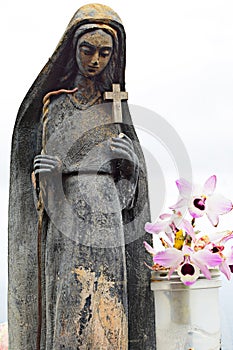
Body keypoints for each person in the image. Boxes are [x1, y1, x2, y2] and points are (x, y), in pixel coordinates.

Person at [8, 4, 155, 349]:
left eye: (105, 53)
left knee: (107, 298)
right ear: (72, 51)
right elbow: (42, 186)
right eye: (87, 50)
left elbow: (127, 200)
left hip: (108, 220)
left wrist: (129, 166)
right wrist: (48, 175)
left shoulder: (114, 108)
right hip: (68, 218)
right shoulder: (56, 104)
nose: (95, 60)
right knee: (71, 299)